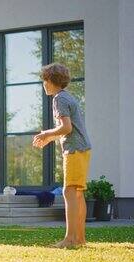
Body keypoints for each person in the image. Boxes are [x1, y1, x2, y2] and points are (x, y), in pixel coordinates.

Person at [33, 63, 92, 248]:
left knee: (69, 191)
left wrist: (46, 134)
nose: (44, 84)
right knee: (78, 193)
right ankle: (80, 239)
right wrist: (51, 138)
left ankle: (70, 239)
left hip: (74, 149)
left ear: (51, 81)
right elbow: (68, 128)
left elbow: (67, 127)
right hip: (83, 148)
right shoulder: (68, 97)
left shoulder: (59, 99)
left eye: (45, 80)